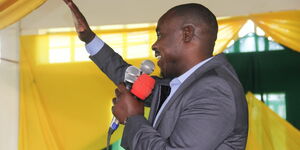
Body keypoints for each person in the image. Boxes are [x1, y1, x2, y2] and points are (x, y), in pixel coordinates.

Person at [63, 0, 248, 149]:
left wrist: (132, 118)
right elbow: (127, 76)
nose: (155, 45)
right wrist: (89, 38)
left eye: (160, 35)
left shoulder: (214, 90)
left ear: (187, 34)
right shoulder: (181, 84)